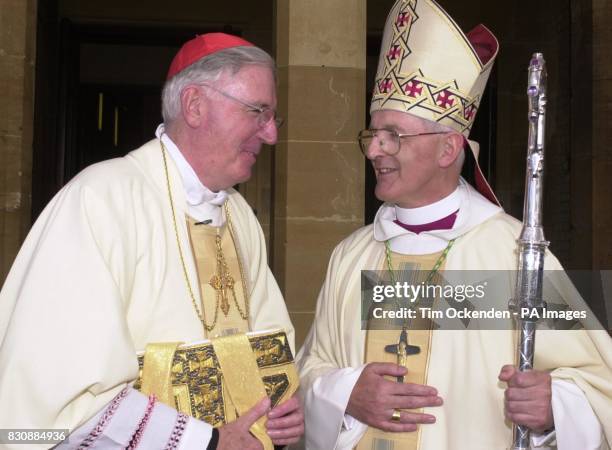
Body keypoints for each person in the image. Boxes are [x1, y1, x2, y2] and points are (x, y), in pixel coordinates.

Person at [296, 1, 612, 449]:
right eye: (372, 134)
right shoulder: (351, 255)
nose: (374, 151)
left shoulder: (513, 256)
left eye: (393, 136)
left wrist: (555, 408)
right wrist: (346, 394)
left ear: (448, 149)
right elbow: (310, 370)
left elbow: (599, 387)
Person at [0, 33, 303, 449]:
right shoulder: (102, 199)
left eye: (273, 118)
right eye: (258, 112)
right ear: (195, 105)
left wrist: (280, 408)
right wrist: (206, 443)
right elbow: (59, 403)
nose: (270, 135)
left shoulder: (238, 216)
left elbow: (267, 346)